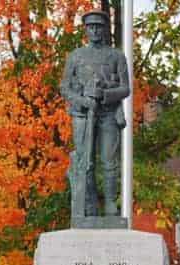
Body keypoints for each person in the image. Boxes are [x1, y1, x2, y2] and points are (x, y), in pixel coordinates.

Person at [59, 9, 130, 221]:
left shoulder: (117, 56)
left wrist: (104, 94)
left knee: (109, 162)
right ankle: (88, 206)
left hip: (108, 115)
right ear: (85, 30)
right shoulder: (76, 56)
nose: (95, 30)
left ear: (105, 29)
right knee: (84, 162)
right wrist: (82, 101)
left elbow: (125, 89)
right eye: (91, 27)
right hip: (82, 115)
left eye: (99, 26)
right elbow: (64, 87)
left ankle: (110, 204)